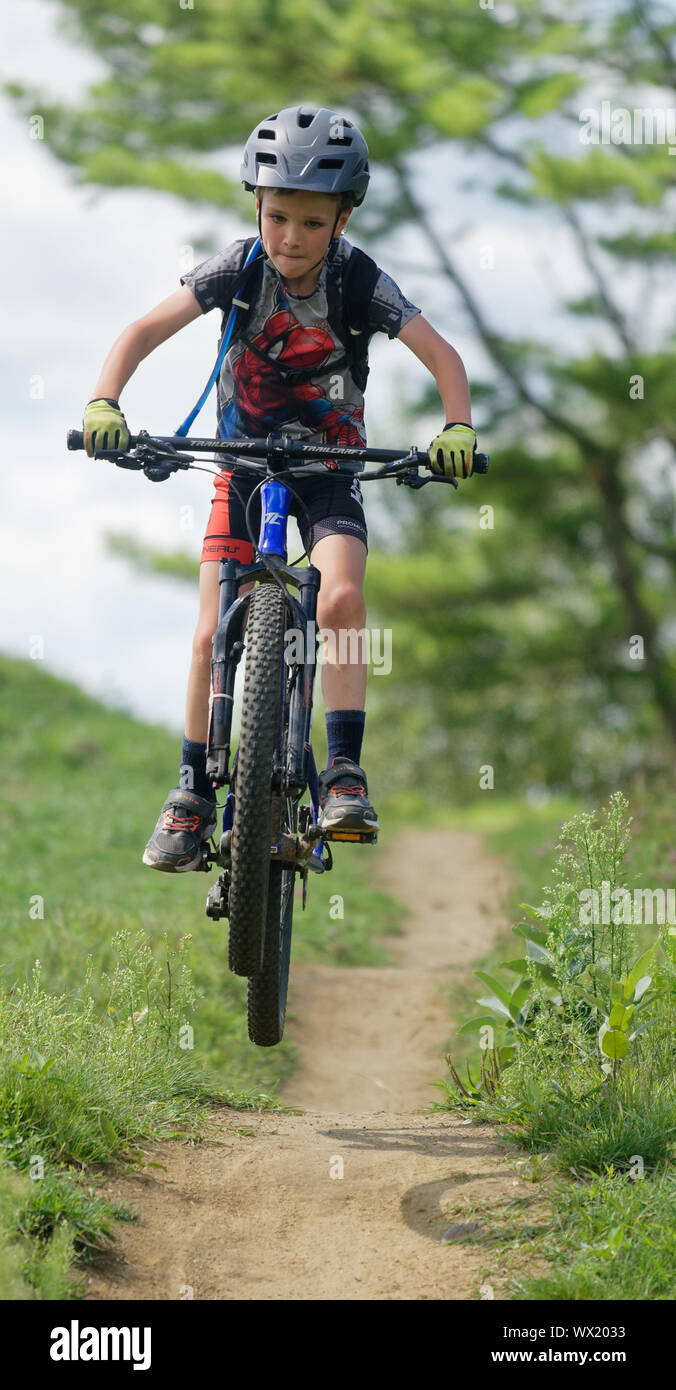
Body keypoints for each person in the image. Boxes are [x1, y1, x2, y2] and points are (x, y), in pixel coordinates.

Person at [82, 104, 477, 873]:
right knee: (207, 631)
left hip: (332, 470)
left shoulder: (359, 279)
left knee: (340, 600)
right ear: (255, 208)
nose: (291, 238)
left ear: (344, 217)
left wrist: (456, 428)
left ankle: (343, 773)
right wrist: (106, 403)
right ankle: (191, 791)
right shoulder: (236, 269)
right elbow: (138, 333)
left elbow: (445, 358)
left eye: (311, 222)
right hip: (242, 465)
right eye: (276, 217)